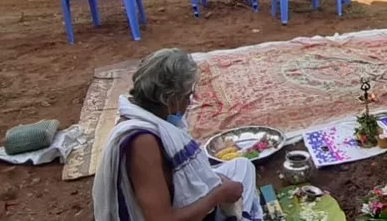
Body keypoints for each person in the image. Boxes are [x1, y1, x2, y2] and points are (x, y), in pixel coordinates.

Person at [92, 48, 263, 221]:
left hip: (185, 204)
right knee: (236, 187)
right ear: (170, 99)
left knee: (242, 166)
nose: (189, 102)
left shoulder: (147, 118)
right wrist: (218, 196)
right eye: (188, 95)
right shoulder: (143, 142)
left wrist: (216, 181)